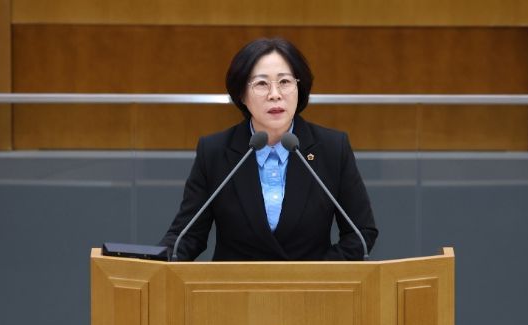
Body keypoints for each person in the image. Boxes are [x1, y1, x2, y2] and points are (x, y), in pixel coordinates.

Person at [159, 38, 378, 261]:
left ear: (299, 88)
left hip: (311, 283)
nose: (275, 94)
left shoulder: (332, 148)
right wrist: (154, 263)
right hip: (236, 284)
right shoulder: (215, 151)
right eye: (262, 84)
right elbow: (187, 236)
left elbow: (360, 233)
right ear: (242, 94)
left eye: (284, 82)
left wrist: (314, 274)